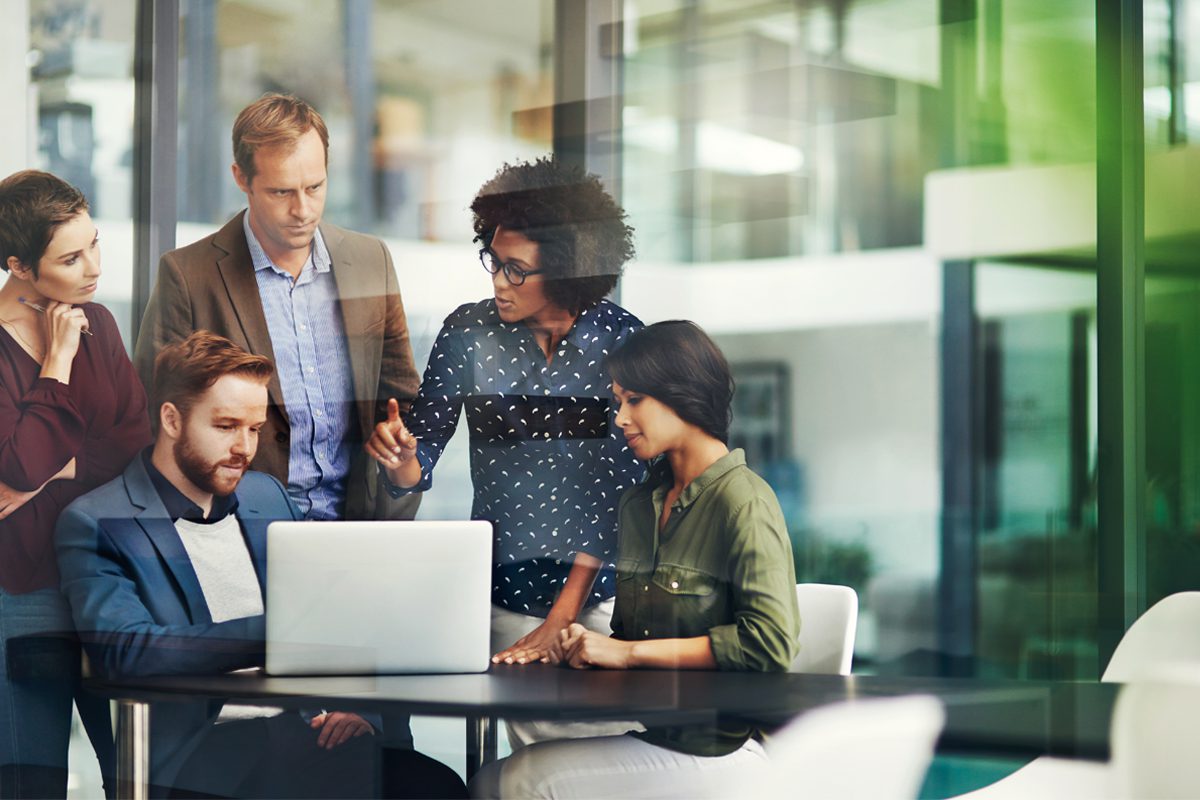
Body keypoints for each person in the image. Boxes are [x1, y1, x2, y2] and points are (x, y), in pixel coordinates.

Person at [55, 331, 465, 799]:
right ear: (171, 419)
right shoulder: (97, 520)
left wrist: (356, 708)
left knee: (436, 786)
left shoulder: (265, 495)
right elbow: (125, 651)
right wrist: (279, 635)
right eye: (226, 426)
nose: (244, 448)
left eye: (253, 429)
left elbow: (331, 615)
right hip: (201, 756)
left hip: (303, 732)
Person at [365, 157, 643, 746]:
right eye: (493, 261)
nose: (497, 282)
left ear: (568, 272)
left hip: (597, 601)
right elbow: (424, 453)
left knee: (591, 752)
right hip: (499, 595)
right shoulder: (468, 333)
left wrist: (559, 622)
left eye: (517, 270)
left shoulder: (623, 344)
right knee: (532, 748)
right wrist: (401, 459)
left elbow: (618, 497)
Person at [471, 320, 801, 799]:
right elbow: (630, 637)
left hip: (722, 751)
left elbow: (769, 645)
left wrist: (625, 653)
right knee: (489, 780)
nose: (620, 418)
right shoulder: (639, 505)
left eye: (635, 401)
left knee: (521, 781)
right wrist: (585, 647)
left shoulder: (744, 501)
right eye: (617, 402)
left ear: (683, 395)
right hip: (656, 734)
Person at [133, 92, 421, 525]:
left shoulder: (369, 261)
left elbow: (401, 401)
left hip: (355, 530)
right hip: (237, 533)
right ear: (241, 178)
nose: (302, 210)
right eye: (281, 191)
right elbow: (154, 421)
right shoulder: (188, 276)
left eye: (315, 187)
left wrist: (400, 455)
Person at [0, 169, 151, 798]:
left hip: (109, 580)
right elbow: (20, 467)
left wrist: (53, 467)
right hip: (22, 590)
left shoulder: (103, 325)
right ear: (19, 266)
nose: (92, 268)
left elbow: (134, 444)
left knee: (138, 773)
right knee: (30, 781)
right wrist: (57, 362)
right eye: (70, 257)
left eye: (94, 245)